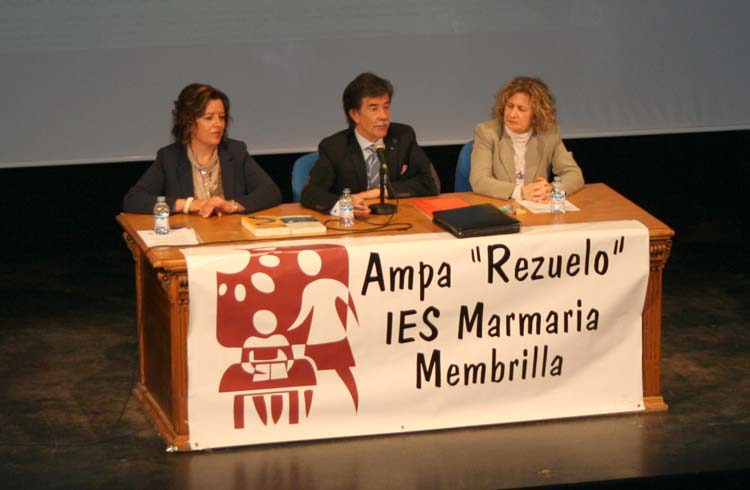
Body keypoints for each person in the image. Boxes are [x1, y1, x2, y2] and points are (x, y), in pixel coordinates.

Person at [123, 83, 281, 216]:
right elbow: (134, 199)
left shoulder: (235, 151)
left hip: (231, 237)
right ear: (189, 122)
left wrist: (232, 205)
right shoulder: (170, 157)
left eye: (222, 117)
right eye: (209, 118)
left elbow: (271, 192)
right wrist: (188, 204)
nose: (218, 124)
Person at [300, 72, 438, 216]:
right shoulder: (335, 147)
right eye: (374, 108)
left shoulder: (403, 136)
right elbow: (310, 193)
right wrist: (345, 205)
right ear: (355, 115)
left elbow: (430, 183)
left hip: (398, 219)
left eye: (386, 107)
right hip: (354, 226)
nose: (384, 116)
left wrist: (380, 191)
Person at [470, 76, 583, 203]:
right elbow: (479, 180)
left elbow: (574, 174)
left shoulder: (549, 134)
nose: (512, 114)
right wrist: (521, 192)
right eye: (510, 106)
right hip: (501, 206)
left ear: (536, 114)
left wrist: (551, 189)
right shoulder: (487, 132)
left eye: (521, 109)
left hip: (537, 208)